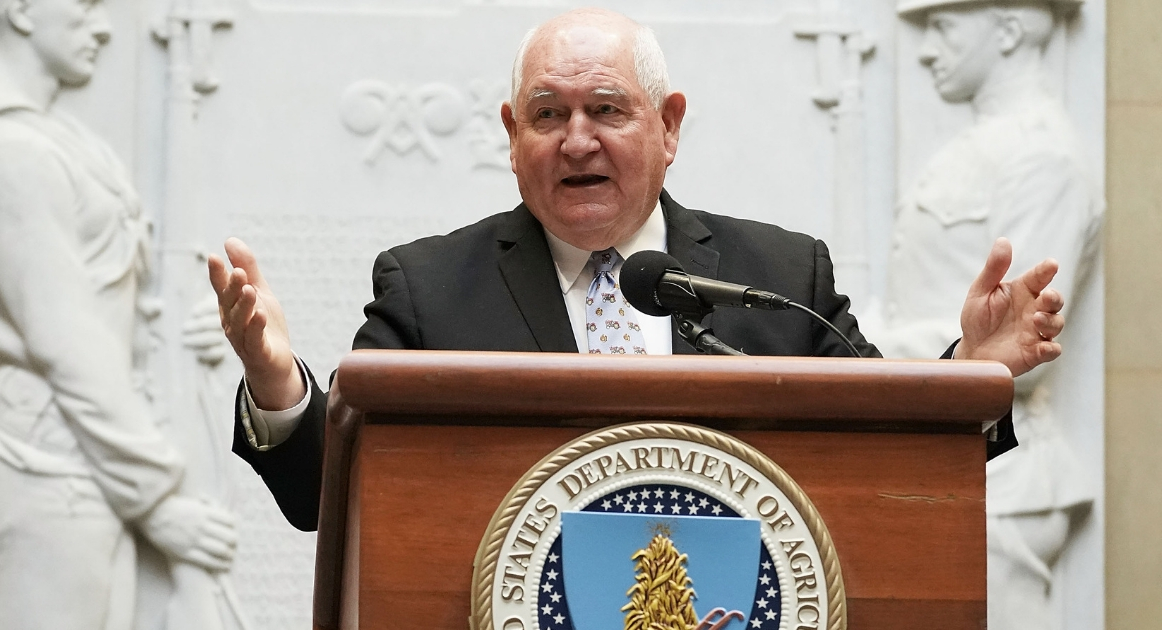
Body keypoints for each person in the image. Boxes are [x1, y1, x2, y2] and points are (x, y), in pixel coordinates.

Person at [210, 8, 1067, 533]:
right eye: (548, 114)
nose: (576, 139)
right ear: (513, 136)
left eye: (606, 110)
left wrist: (974, 376)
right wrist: (278, 382)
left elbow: (886, 452)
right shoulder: (429, 287)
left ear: (669, 124)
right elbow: (330, 499)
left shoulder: (777, 274)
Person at [0, 0, 237, 628]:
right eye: (85, 6)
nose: (106, 25)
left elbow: (103, 296)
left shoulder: (57, 137)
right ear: (24, 12)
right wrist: (157, 501)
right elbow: (67, 340)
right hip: (46, 470)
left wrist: (183, 324)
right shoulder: (8, 155)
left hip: (79, 459)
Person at [864, 1, 1102, 628]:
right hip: (947, 460)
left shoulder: (1044, 156)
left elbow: (1026, 345)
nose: (924, 50)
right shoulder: (979, 146)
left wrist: (851, 345)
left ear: (1010, 29)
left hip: (1005, 477)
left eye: (943, 26)